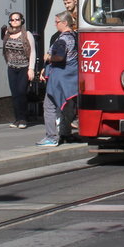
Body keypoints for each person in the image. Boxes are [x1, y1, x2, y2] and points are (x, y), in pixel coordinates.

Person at [38, 11, 77, 147]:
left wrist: (48, 57)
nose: (55, 24)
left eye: (57, 22)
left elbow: (59, 57)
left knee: (49, 106)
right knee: (66, 106)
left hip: (59, 77)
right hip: (71, 77)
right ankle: (66, 134)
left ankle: (51, 137)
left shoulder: (62, 39)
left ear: (65, 23)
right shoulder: (75, 36)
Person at [2, 12, 35, 129]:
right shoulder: (7, 33)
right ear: (10, 21)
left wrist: (31, 69)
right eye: (12, 20)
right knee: (15, 94)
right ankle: (17, 118)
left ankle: (23, 118)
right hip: (11, 68)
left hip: (24, 67)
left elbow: (32, 52)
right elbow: (5, 50)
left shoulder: (27, 34)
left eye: (17, 19)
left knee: (21, 92)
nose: (15, 21)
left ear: (22, 21)